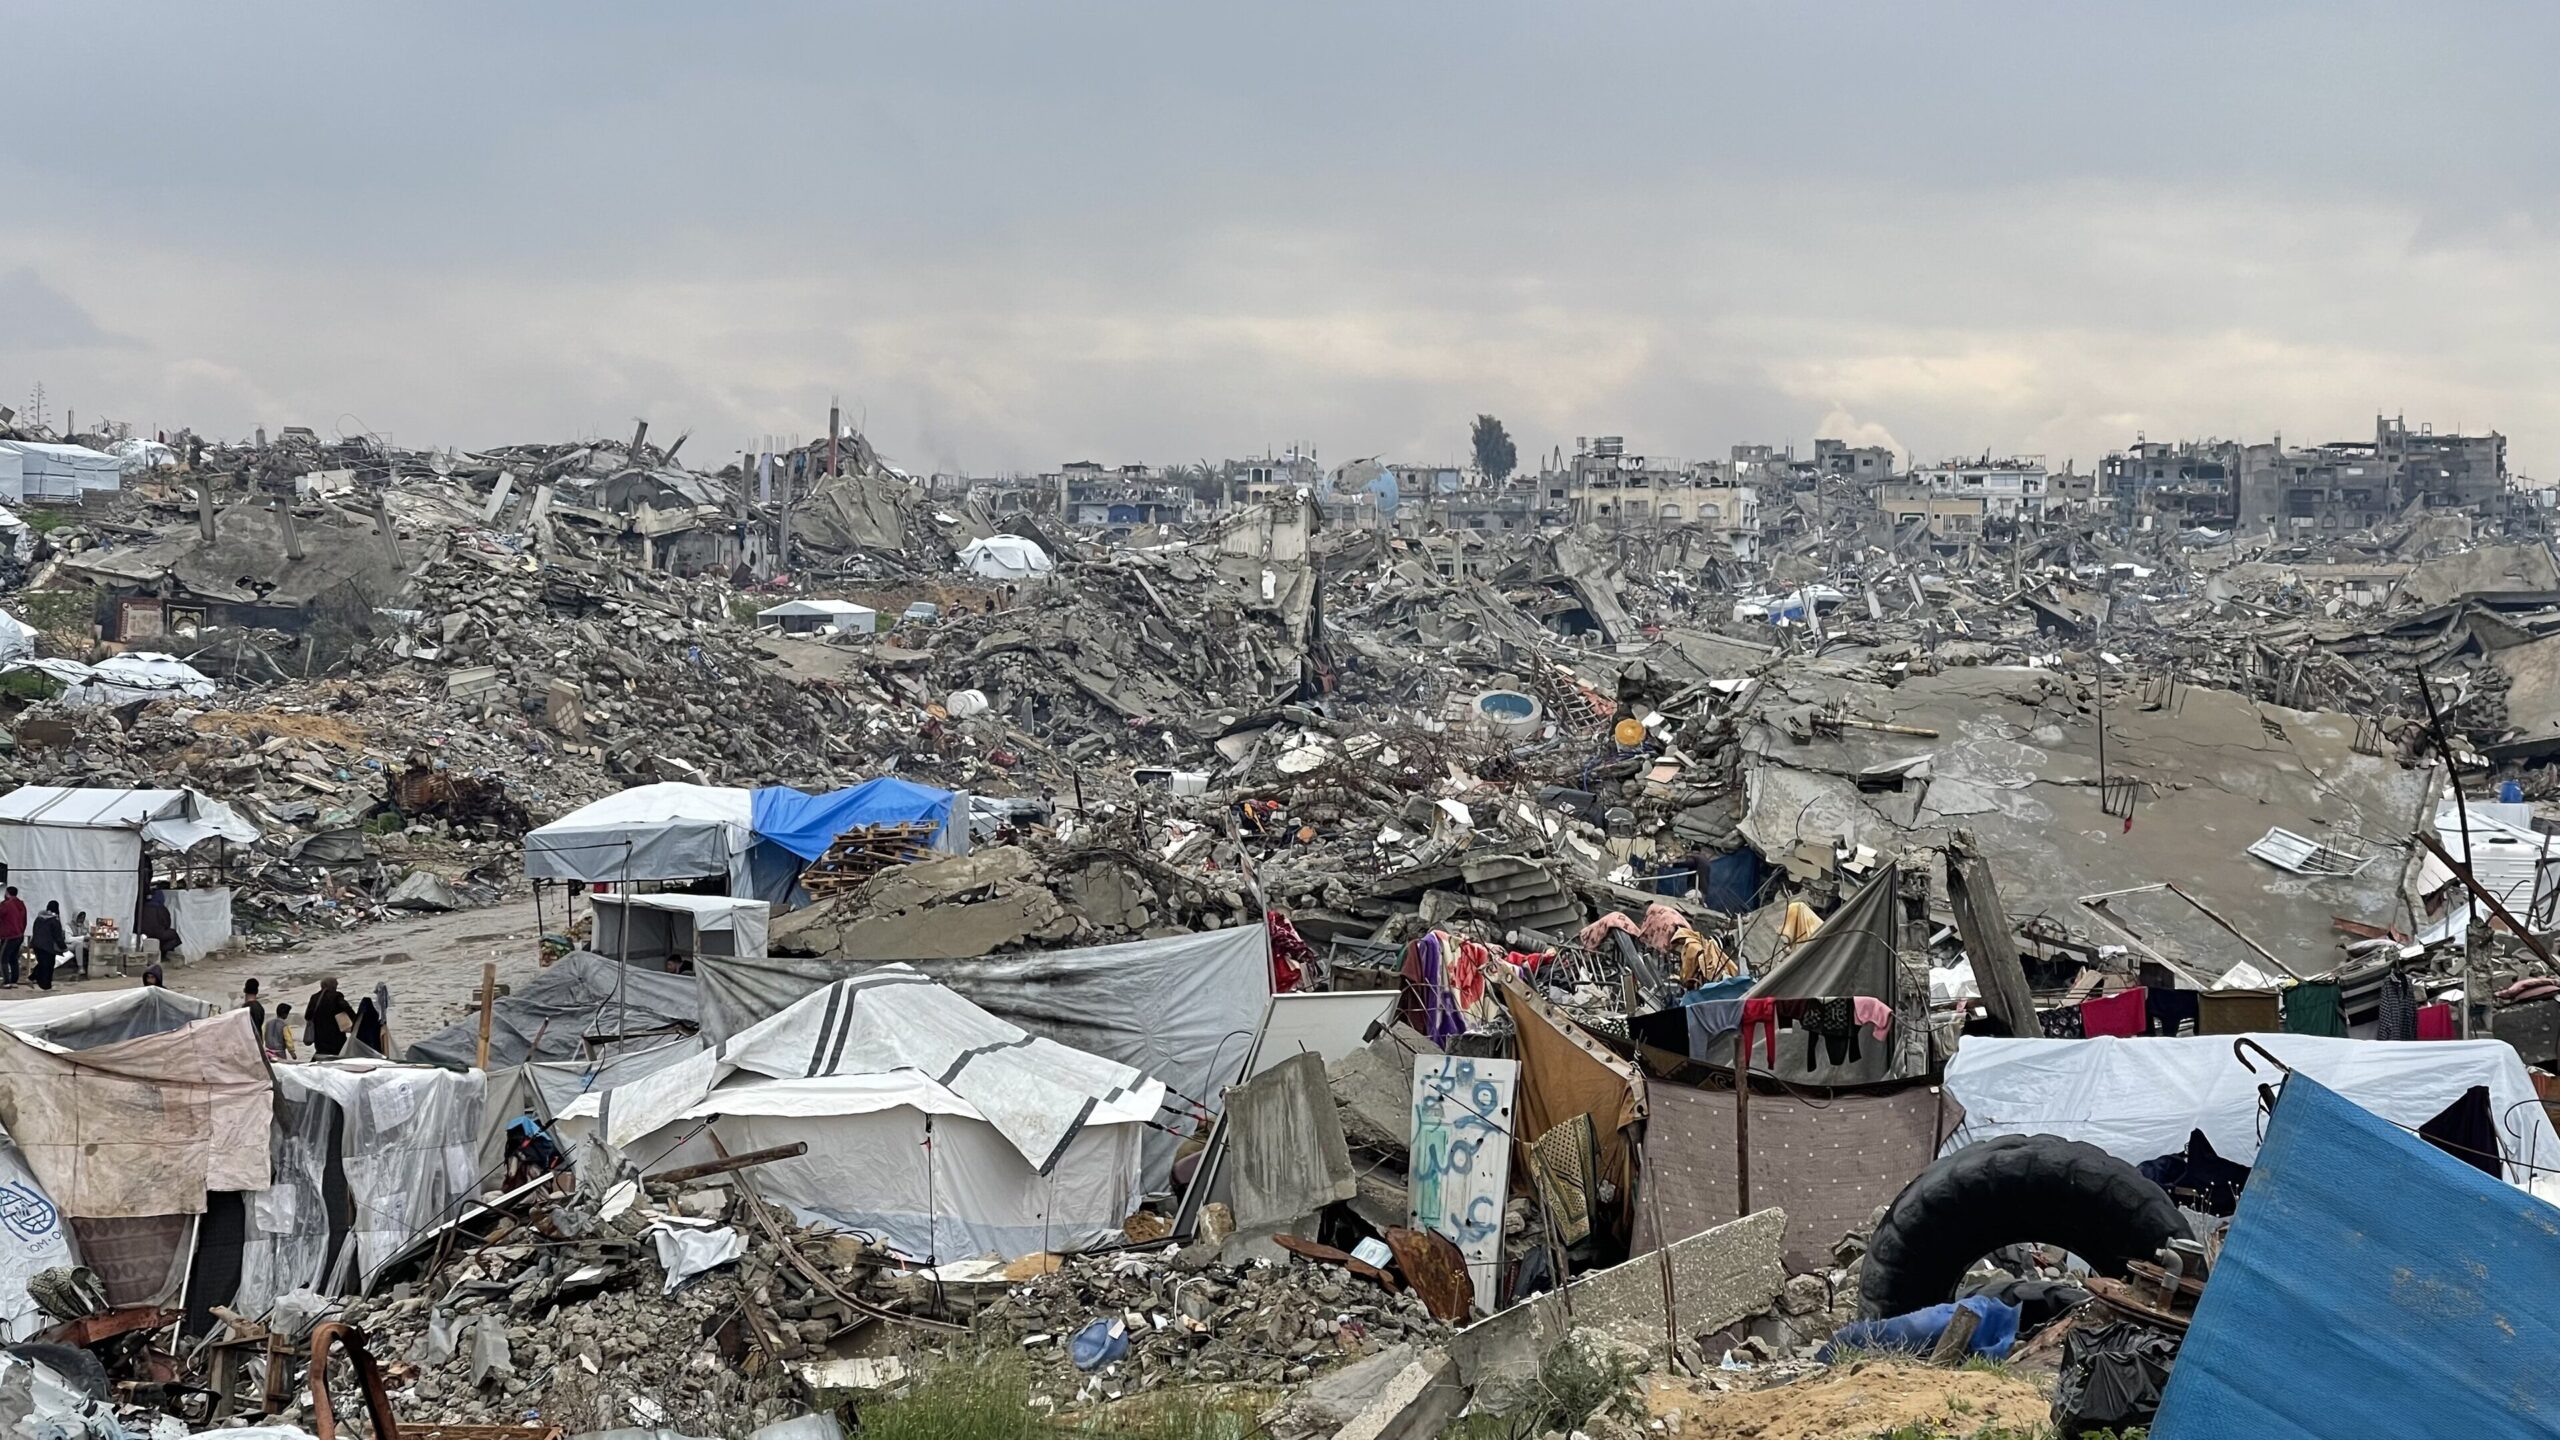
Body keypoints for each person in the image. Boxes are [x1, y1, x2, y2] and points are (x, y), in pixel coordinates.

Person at [304, 978, 354, 1058]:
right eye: (335, 985)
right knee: (338, 1055)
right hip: (335, 1035)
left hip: (319, 1035)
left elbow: (307, 1016)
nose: (336, 988)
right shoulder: (336, 996)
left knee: (322, 1054)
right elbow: (347, 1008)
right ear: (332, 985)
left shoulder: (314, 998)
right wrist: (356, 1020)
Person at [136, 889, 178, 970]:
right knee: (173, 935)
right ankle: (163, 954)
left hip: (143, 934)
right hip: (158, 934)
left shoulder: (142, 907)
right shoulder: (161, 908)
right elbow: (167, 922)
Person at [27, 903, 62, 992]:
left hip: (37, 945)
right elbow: (58, 936)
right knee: (48, 965)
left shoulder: (38, 919)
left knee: (43, 964)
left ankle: (34, 979)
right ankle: (45, 985)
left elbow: (35, 931)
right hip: (48, 946)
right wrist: (63, 947)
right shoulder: (54, 920)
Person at [0, 886, 26, 989]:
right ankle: (14, 981)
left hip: (9, 935)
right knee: (13, 958)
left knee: (3, 959)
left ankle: (7, 982)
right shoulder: (21, 904)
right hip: (19, 935)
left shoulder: (6, 905)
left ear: (7, 893)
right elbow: (24, 920)